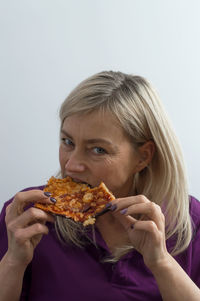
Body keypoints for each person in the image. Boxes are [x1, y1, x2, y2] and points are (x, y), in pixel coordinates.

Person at [0, 71, 200, 301]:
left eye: (98, 150)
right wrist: (13, 261)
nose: (71, 165)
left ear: (143, 157)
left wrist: (161, 262)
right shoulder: (26, 216)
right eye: (67, 142)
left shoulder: (191, 221)